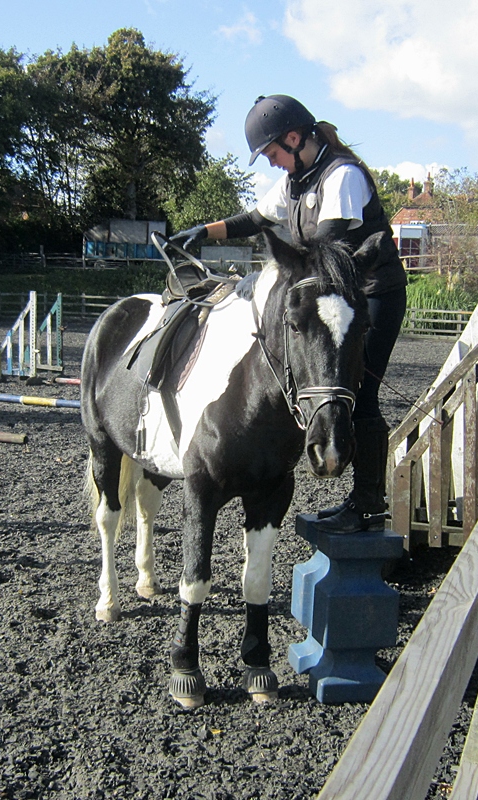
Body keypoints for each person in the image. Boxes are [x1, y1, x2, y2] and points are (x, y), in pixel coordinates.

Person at [171, 94, 407, 534]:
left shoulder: (342, 177)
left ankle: (368, 507)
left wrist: (271, 272)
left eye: (272, 153)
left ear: (294, 139)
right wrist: (203, 231)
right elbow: (255, 219)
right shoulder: (295, 182)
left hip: (371, 296)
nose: (272, 162)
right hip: (332, 299)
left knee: (359, 395)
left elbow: (322, 252)